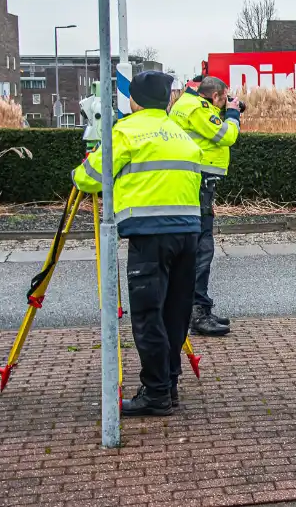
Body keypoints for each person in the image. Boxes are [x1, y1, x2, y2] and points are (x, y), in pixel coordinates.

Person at [71, 71, 202, 416]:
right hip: (189, 234)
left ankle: (156, 394)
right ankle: (169, 386)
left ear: (136, 100)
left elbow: (90, 178)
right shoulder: (181, 134)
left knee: (148, 315)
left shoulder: (127, 132)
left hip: (150, 236)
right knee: (176, 315)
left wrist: (77, 172)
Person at [169, 75, 240, 337]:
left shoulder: (185, 105)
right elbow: (226, 135)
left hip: (192, 182)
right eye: (224, 98)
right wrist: (233, 114)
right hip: (198, 183)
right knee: (202, 248)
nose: (224, 104)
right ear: (216, 95)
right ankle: (197, 311)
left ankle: (198, 307)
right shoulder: (198, 109)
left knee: (196, 247)